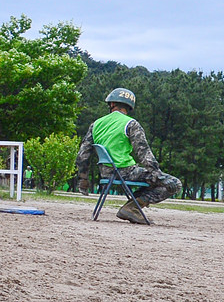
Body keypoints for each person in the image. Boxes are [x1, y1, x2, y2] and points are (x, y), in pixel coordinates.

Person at [75, 87, 181, 224]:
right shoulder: (131, 124)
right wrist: (159, 175)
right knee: (175, 183)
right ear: (129, 107)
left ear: (112, 104)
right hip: (126, 172)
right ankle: (132, 208)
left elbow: (82, 154)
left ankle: (132, 207)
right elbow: (144, 154)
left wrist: (83, 179)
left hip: (106, 173)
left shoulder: (96, 124)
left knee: (156, 181)